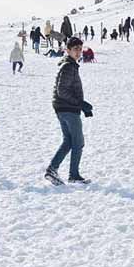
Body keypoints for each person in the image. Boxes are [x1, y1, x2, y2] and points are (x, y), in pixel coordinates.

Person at [46, 37, 92, 186]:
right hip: (67, 109)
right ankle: (73, 174)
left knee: (69, 141)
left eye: (80, 48)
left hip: (64, 108)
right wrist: (80, 103)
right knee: (78, 142)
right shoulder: (68, 67)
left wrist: (81, 106)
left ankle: (52, 169)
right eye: (75, 49)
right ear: (68, 50)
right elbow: (62, 90)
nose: (79, 52)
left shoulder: (70, 65)